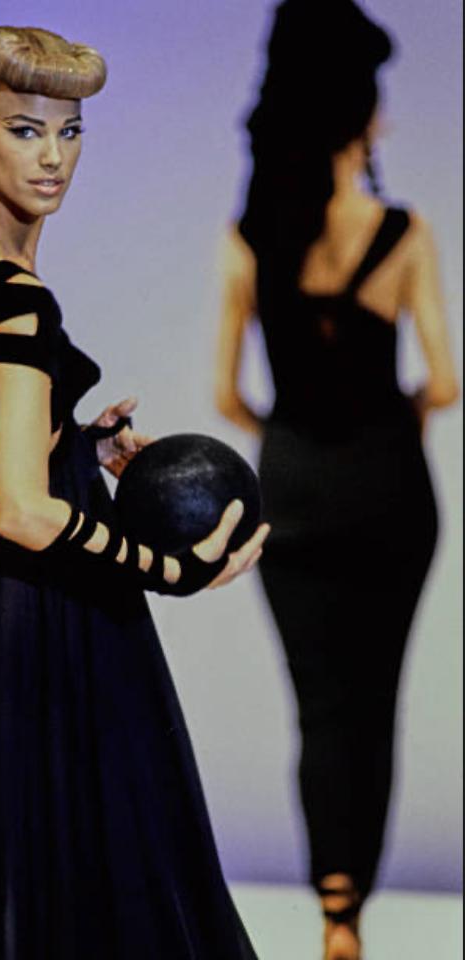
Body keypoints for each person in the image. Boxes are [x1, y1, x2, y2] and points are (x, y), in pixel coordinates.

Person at [0, 25, 270, 960]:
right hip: (24, 599)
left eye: (70, 133)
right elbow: (23, 510)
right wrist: (170, 569)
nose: (53, 158)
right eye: (25, 130)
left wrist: (77, 439)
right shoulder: (13, 295)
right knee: (70, 847)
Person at [214, 2, 459, 959]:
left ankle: (332, 906)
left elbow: (226, 394)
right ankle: (354, 906)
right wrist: (399, 417)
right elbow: (445, 381)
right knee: (373, 704)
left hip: (293, 490)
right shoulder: (404, 232)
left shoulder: (246, 240)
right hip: (389, 485)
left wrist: (289, 435)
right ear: (354, 114)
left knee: (317, 710)